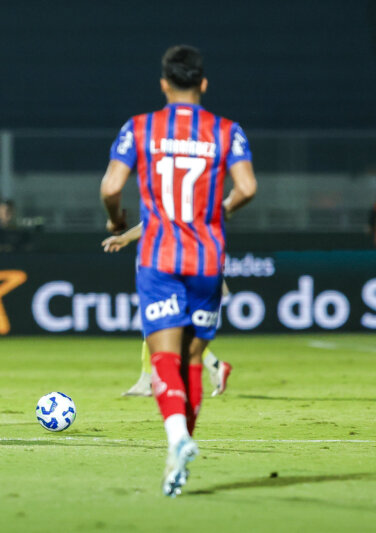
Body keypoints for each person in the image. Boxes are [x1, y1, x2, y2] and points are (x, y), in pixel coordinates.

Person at [100, 45, 257, 497]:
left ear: (164, 84)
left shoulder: (140, 128)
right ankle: (178, 458)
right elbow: (248, 187)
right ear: (203, 83)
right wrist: (220, 211)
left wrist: (115, 219)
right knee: (192, 359)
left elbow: (111, 186)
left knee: (164, 355)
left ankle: (176, 440)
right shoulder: (227, 130)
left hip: (160, 257)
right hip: (207, 257)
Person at [103, 223, 233, 397]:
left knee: (162, 327)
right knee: (160, 328)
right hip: (164, 266)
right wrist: (125, 238)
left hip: (171, 271)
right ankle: (148, 381)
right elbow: (151, 222)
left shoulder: (180, 216)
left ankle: (213, 366)